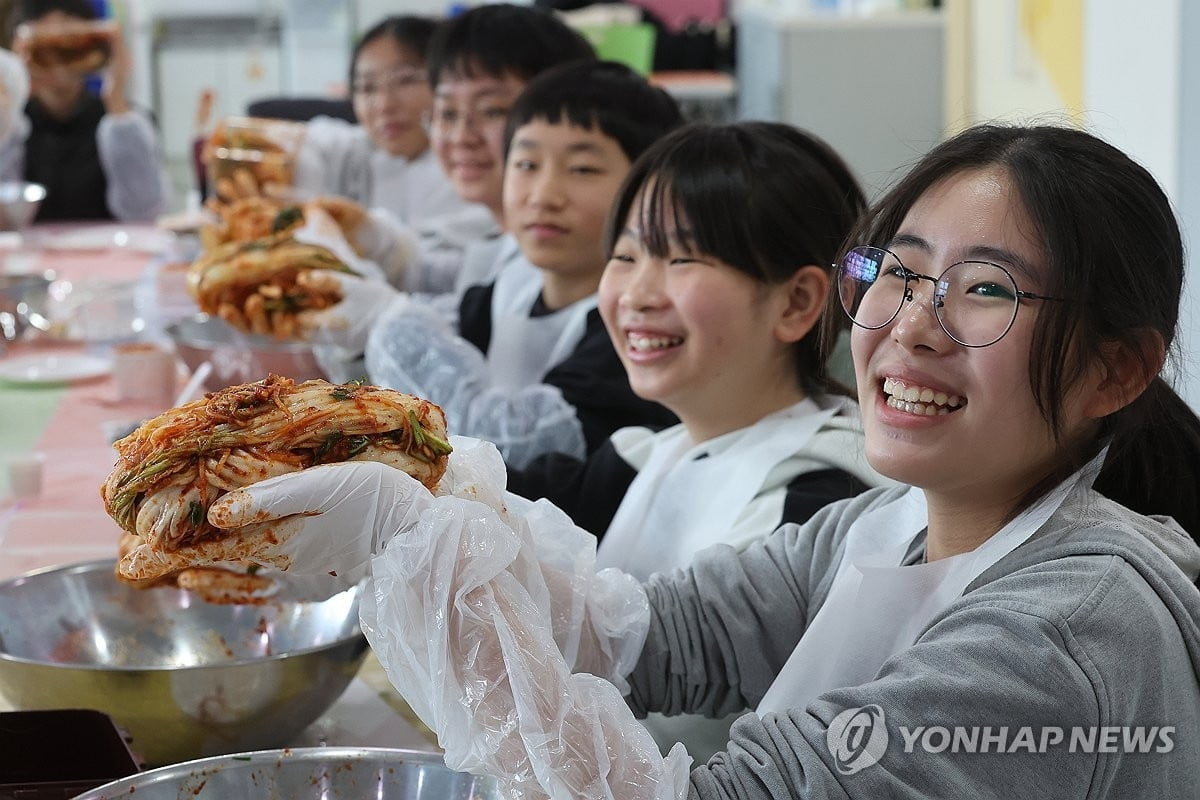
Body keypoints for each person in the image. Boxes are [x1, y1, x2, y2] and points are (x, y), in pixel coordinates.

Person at [203, 122, 1200, 797]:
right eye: (897, 271)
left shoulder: (1067, 629)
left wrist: (426, 552)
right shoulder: (879, 525)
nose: (910, 325)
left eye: (986, 290)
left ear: (1117, 370)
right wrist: (418, 525)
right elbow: (642, 635)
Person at [503, 121, 887, 761]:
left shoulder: (824, 504)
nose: (637, 293)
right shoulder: (642, 458)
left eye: (680, 258)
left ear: (796, 302)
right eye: (625, 256)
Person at [355, 60, 682, 468]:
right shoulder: (513, 285)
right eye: (527, 165)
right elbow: (439, 322)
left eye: (582, 169)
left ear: (648, 189)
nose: (543, 196)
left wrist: (381, 318)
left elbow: (512, 445)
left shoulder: (638, 329)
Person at [310, 3, 597, 296]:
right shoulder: (497, 252)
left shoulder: (584, 261)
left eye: (492, 110)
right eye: (446, 113)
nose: (461, 137)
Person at [291, 15, 473, 230]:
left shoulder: (473, 168)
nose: (384, 105)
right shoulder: (361, 154)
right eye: (367, 88)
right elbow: (312, 142)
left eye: (406, 80)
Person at [0, 0, 168, 221]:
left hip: (112, 252)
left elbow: (145, 213)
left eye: (71, 49)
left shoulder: (125, 122)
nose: (59, 64)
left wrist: (117, 99)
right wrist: (15, 93)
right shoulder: (12, 127)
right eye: (47, 50)